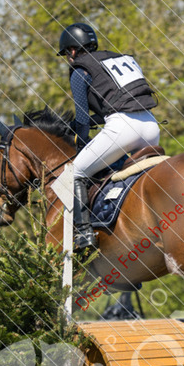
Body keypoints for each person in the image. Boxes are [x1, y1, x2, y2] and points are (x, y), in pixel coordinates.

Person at [57, 22, 160, 250]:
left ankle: (84, 234)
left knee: (74, 174)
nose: (67, 58)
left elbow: (83, 120)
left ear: (72, 50)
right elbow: (116, 106)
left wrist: (80, 145)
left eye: (66, 54)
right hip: (151, 126)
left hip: (123, 129)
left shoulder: (80, 70)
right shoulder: (118, 59)